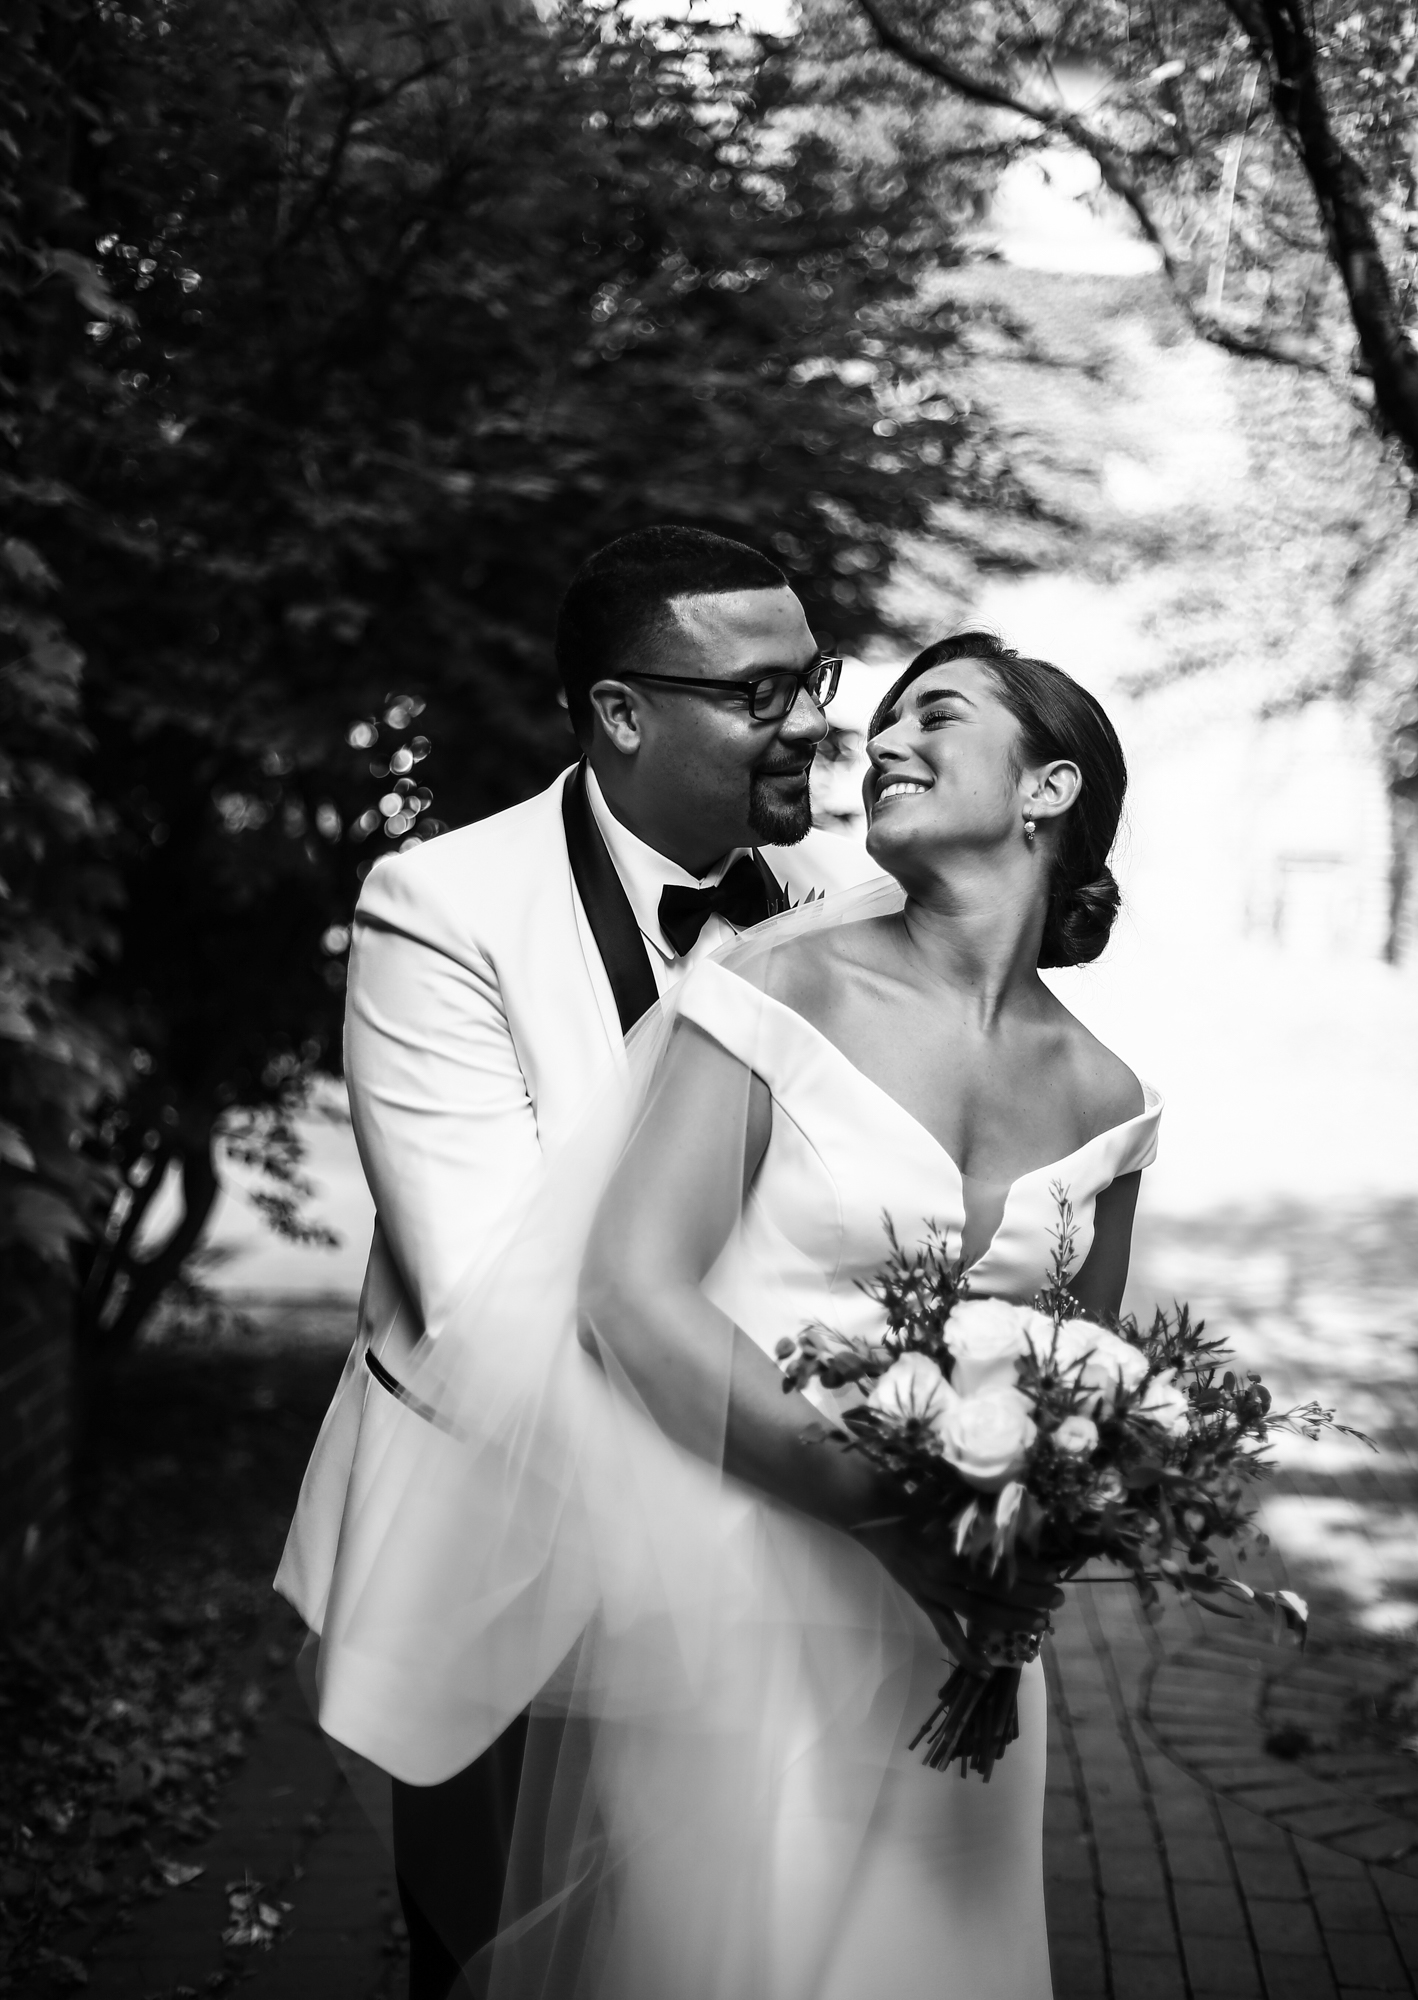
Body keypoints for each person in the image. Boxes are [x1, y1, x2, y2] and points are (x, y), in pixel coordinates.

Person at [306, 629, 1160, 1997]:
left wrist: (1015, 1578)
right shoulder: (769, 986)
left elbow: (1089, 1386)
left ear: (1047, 791)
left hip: (950, 1629)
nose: (874, 743)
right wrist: (889, 1515)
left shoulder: (1115, 1101)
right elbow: (613, 1291)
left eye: (928, 717)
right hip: (733, 1591)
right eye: (869, 722)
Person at [279, 524, 900, 1997]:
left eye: (812, 675)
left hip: (772, 1584)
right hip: (500, 1556)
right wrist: (816, 1481)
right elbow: (485, 1293)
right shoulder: (439, 907)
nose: (813, 719)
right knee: (497, 1959)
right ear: (622, 715)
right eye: (760, 693)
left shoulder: (845, 903)